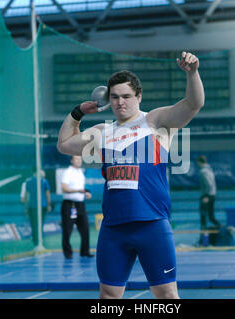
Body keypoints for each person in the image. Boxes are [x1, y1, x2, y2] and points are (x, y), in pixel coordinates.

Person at [56, 52, 204, 299]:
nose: (120, 102)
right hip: (113, 229)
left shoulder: (155, 122)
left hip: (152, 225)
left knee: (167, 295)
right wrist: (78, 112)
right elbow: (64, 144)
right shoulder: (103, 132)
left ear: (139, 96)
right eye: (114, 97)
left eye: (126, 96)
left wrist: (193, 73)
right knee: (109, 296)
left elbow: (193, 104)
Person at [60, 155, 94, 259]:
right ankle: (68, 253)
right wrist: (77, 191)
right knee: (67, 230)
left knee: (85, 229)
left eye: (80, 159)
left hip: (80, 204)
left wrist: (86, 193)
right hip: (69, 205)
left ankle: (85, 251)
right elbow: (64, 188)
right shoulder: (67, 172)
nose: (79, 161)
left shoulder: (81, 173)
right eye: (77, 159)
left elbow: (81, 188)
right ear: (71, 160)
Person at [21, 169, 52, 247]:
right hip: (42, 205)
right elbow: (47, 194)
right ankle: (39, 241)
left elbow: (26, 196)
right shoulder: (44, 181)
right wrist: (49, 205)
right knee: (40, 224)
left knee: (34, 225)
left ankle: (36, 242)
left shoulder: (29, 181)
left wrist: (26, 208)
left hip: (32, 206)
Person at [196, 155, 220, 246]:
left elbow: (208, 184)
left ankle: (203, 240)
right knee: (211, 217)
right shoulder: (210, 170)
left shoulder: (203, 171)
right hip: (212, 195)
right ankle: (219, 231)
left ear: (200, 162)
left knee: (203, 219)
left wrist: (206, 196)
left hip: (207, 196)